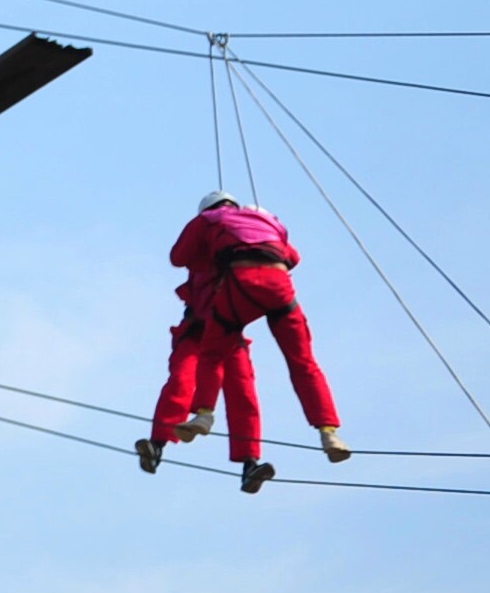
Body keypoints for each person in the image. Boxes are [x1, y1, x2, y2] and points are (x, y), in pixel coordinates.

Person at [138, 191, 349, 494]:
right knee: (206, 385)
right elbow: (291, 256)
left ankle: (247, 461)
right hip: (208, 325)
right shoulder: (226, 241)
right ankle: (160, 444)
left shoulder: (216, 236)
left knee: (226, 387)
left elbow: (178, 256)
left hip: (226, 322)